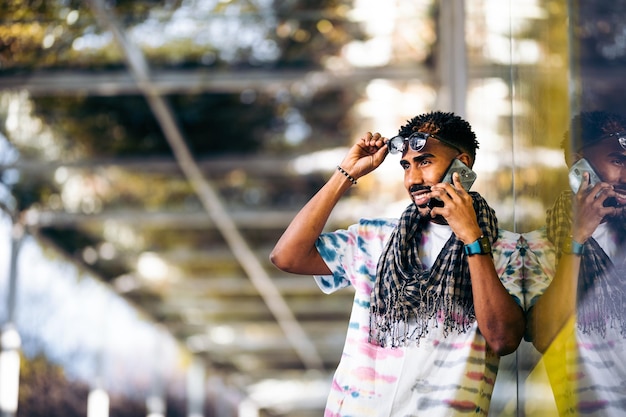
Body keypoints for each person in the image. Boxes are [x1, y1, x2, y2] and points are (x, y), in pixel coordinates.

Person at [270, 111, 526, 416]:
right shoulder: (375, 237)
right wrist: (346, 174)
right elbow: (287, 256)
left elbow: (502, 339)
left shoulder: (508, 251)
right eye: (406, 165)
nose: (412, 179)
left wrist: (472, 237)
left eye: (425, 161)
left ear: (463, 164)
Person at [524, 110, 626, 416]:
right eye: (618, 161)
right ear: (580, 166)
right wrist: (578, 237)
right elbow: (545, 336)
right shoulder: (541, 243)